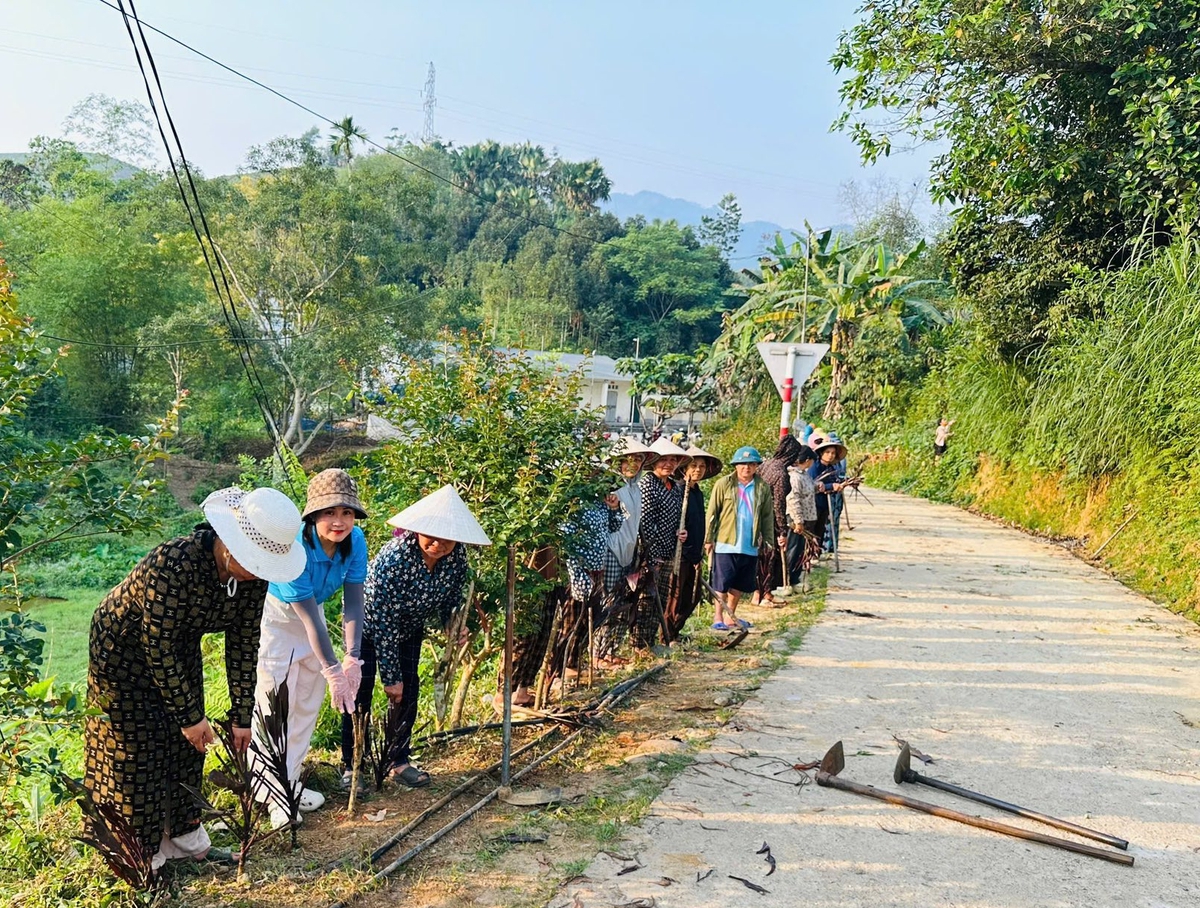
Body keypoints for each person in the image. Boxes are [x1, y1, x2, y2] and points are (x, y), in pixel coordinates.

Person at [83, 486, 304, 872]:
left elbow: (243, 644)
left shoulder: (254, 578)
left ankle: (185, 842)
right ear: (232, 545)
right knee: (136, 749)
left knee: (189, 749)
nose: (261, 572)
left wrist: (240, 717)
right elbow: (157, 645)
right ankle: (140, 857)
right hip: (122, 651)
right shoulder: (174, 563)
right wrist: (189, 716)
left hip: (179, 646)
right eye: (258, 561)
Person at [344, 485, 490, 788]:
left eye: (446, 538)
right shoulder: (394, 559)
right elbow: (382, 622)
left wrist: (452, 624)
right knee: (360, 694)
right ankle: (352, 766)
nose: (438, 544)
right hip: (368, 631)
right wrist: (391, 677)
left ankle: (398, 761)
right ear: (416, 531)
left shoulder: (456, 558)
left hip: (409, 630)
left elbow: (450, 598)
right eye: (431, 536)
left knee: (409, 693)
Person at [251, 469, 368, 827]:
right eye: (330, 512)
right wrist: (332, 669)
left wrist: (352, 657)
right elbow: (307, 619)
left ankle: (289, 781)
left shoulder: (356, 540)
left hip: (312, 613)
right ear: (313, 515)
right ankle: (268, 792)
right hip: (280, 619)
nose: (339, 521)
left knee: (306, 703)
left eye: (347, 513)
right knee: (275, 703)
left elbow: (353, 602)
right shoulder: (295, 546)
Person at [596, 438, 658, 664]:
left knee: (623, 601)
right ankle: (599, 653)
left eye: (638, 460)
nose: (633, 465)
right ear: (619, 463)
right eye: (627, 460)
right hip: (612, 549)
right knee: (608, 602)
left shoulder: (636, 490)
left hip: (630, 551)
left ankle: (611, 650)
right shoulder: (612, 486)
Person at [704, 447, 774, 630]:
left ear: (757, 466)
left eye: (751, 464)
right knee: (722, 583)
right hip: (726, 543)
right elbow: (712, 513)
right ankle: (718, 617)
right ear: (736, 465)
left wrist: (768, 541)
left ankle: (731, 616)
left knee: (739, 583)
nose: (747, 468)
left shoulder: (762, 487)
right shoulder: (723, 484)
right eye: (743, 464)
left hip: (749, 544)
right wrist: (708, 539)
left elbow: (767, 516)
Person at [631, 436, 690, 648]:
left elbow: (674, 518)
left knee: (661, 599)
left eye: (673, 460)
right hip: (650, 553)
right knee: (646, 600)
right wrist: (651, 555)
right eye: (664, 459)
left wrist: (679, 533)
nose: (668, 464)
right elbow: (645, 522)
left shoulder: (674, 487)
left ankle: (650, 642)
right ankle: (640, 645)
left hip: (668, 551)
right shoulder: (648, 484)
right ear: (654, 462)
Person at [663, 445, 721, 641]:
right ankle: (667, 635)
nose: (698, 469)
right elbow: (673, 521)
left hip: (694, 553)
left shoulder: (696, 492)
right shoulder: (679, 490)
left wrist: (699, 551)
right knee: (676, 597)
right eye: (693, 466)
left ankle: (675, 632)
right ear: (685, 469)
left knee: (692, 596)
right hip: (680, 553)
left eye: (702, 466)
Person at [755, 435, 804, 606]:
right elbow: (778, 503)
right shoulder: (781, 472)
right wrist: (782, 530)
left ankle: (757, 594)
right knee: (769, 557)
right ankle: (766, 594)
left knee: (759, 557)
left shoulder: (766, 464)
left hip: (756, 516)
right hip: (768, 521)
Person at [785, 446, 819, 591]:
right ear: (807, 460)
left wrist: (819, 486)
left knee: (801, 550)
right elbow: (793, 499)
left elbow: (809, 490)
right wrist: (798, 521)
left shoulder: (804, 475)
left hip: (807, 518)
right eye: (812, 460)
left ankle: (795, 579)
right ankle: (787, 579)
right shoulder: (794, 477)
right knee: (793, 550)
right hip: (796, 520)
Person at [810, 435, 849, 552]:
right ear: (821, 453)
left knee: (821, 530)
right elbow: (812, 484)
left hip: (826, 504)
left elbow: (836, 480)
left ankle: (818, 553)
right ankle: (809, 555)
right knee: (813, 530)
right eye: (827, 452)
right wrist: (830, 486)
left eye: (833, 453)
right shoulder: (815, 467)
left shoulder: (832, 468)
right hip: (815, 504)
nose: (830, 455)